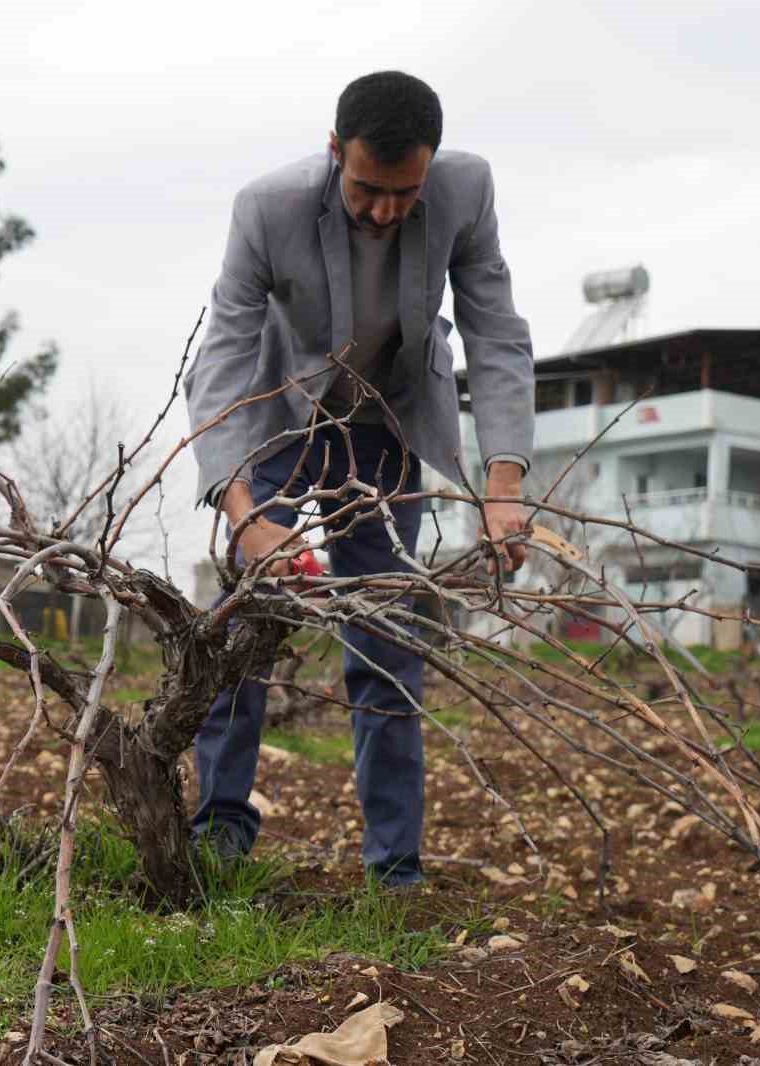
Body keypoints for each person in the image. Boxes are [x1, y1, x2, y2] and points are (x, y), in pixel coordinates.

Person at [183, 71, 535, 886]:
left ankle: (394, 870)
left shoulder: (465, 192)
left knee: (384, 639)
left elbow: (497, 333)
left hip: (387, 426)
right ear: (335, 150)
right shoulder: (266, 208)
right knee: (245, 619)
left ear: (432, 167)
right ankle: (220, 831)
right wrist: (245, 516)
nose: (385, 211)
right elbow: (224, 362)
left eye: (403, 193)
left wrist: (505, 484)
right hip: (282, 416)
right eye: (368, 189)